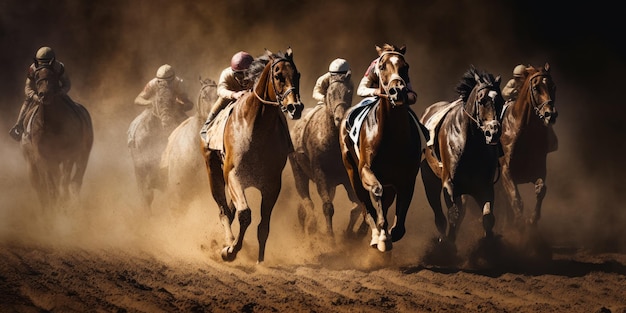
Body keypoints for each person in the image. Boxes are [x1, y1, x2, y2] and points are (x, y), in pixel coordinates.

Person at [9, 46, 71, 141]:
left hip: (55, 93)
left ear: (52, 61)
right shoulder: (33, 68)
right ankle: (18, 126)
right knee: (27, 103)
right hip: (38, 95)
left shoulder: (59, 67)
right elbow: (28, 87)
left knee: (71, 105)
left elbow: (67, 84)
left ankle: (79, 121)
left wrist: (61, 92)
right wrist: (34, 96)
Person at [134, 64, 194, 130]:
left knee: (189, 128)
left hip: (173, 111)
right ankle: (132, 138)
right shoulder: (152, 83)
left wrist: (179, 106)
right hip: (154, 110)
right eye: (161, 82)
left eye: (167, 82)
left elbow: (189, 104)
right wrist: (151, 102)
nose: (164, 84)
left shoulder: (178, 84)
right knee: (138, 125)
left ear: (172, 79)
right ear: (158, 80)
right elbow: (138, 99)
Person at [203, 51, 254, 126]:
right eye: (240, 75)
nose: (244, 78)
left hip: (251, 97)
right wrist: (234, 95)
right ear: (233, 73)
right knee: (221, 100)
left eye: (247, 74)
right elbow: (220, 90)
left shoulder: (258, 73)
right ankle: (208, 124)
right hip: (230, 98)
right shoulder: (226, 73)